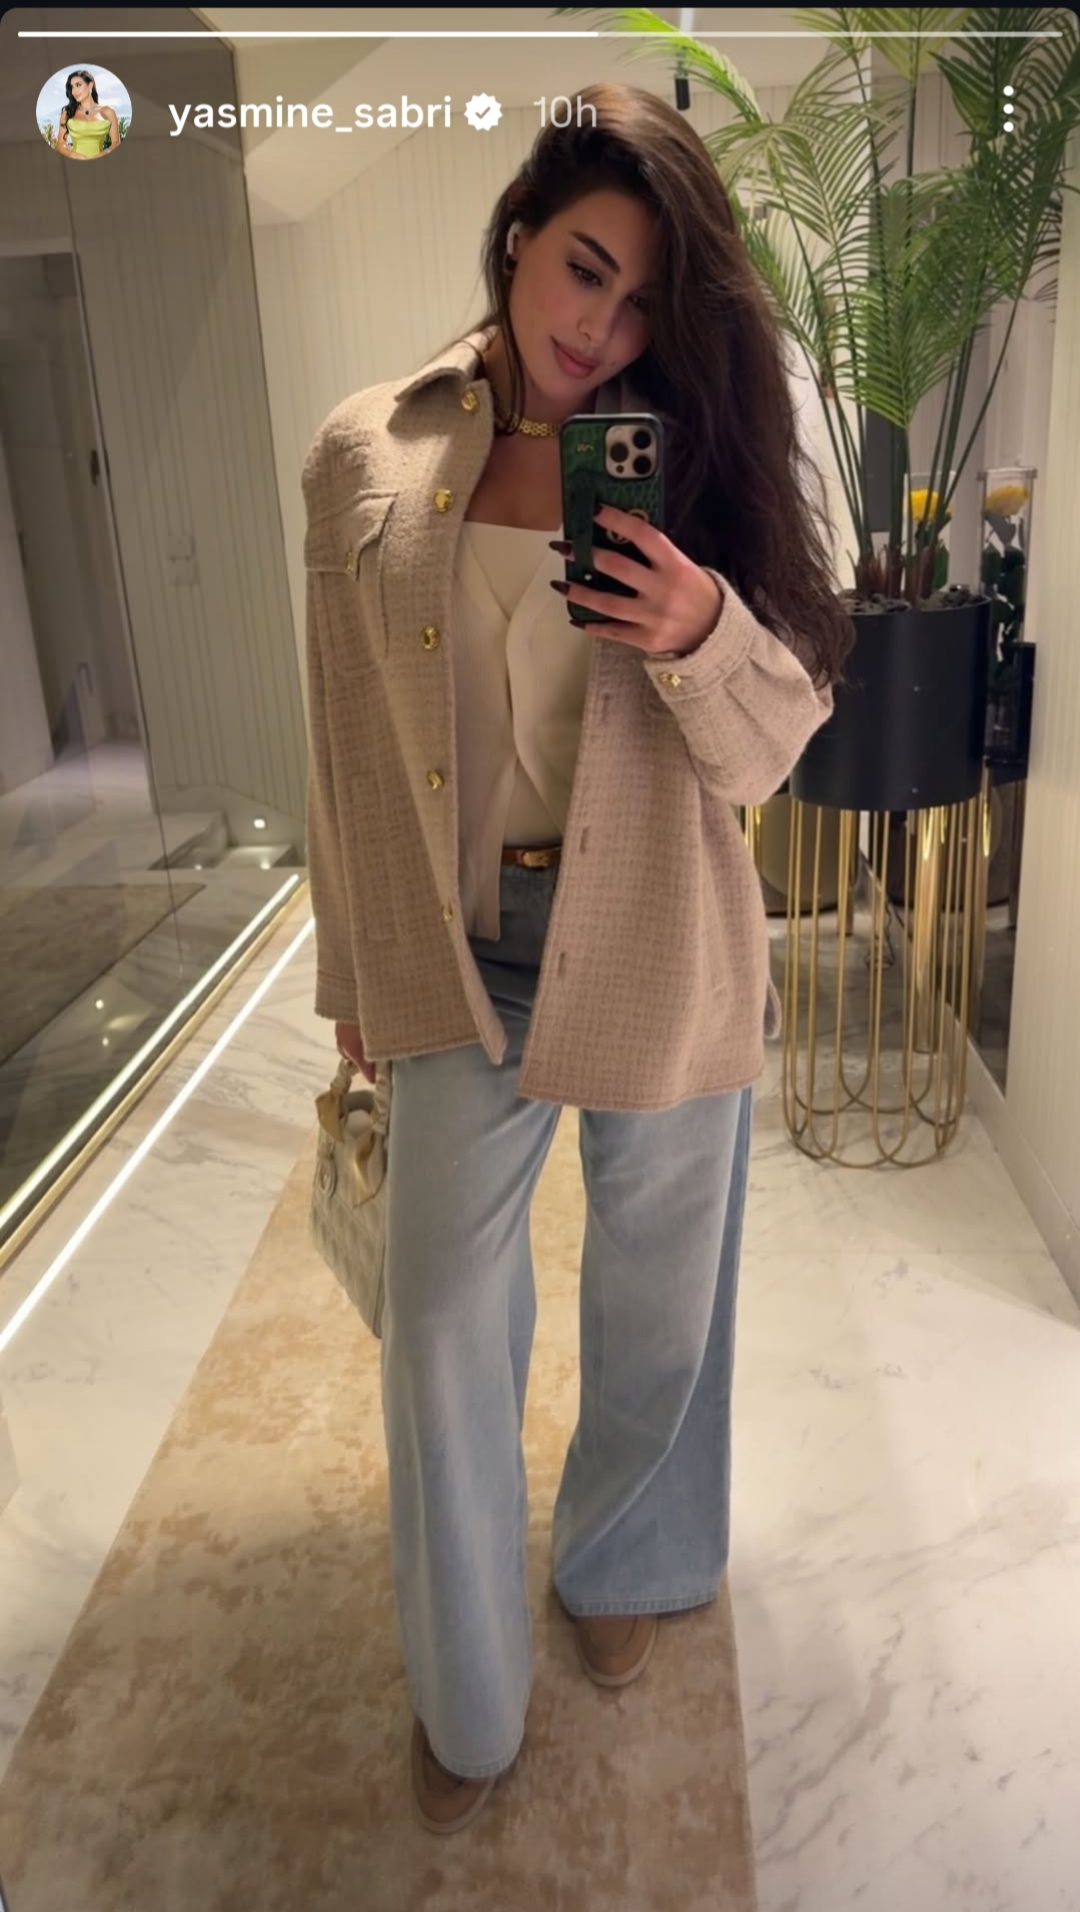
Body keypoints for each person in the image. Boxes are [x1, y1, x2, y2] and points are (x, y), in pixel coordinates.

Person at [301, 80, 853, 1836]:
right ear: (521, 229)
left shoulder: (699, 460)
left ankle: (627, 1557)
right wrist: (349, 973)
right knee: (439, 1325)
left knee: (661, 1295)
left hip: (664, 930)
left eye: (641, 303)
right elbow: (343, 743)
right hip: (459, 951)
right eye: (585, 269)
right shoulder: (369, 453)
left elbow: (774, 752)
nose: (598, 327)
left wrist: (700, 628)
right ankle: (465, 1687)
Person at [54, 70, 119, 160]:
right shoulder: (67, 113)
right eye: (72, 87)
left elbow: (116, 143)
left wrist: (101, 155)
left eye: (78, 85)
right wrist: (77, 156)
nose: (74, 91)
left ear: (90, 85)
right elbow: (60, 145)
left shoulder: (108, 111)